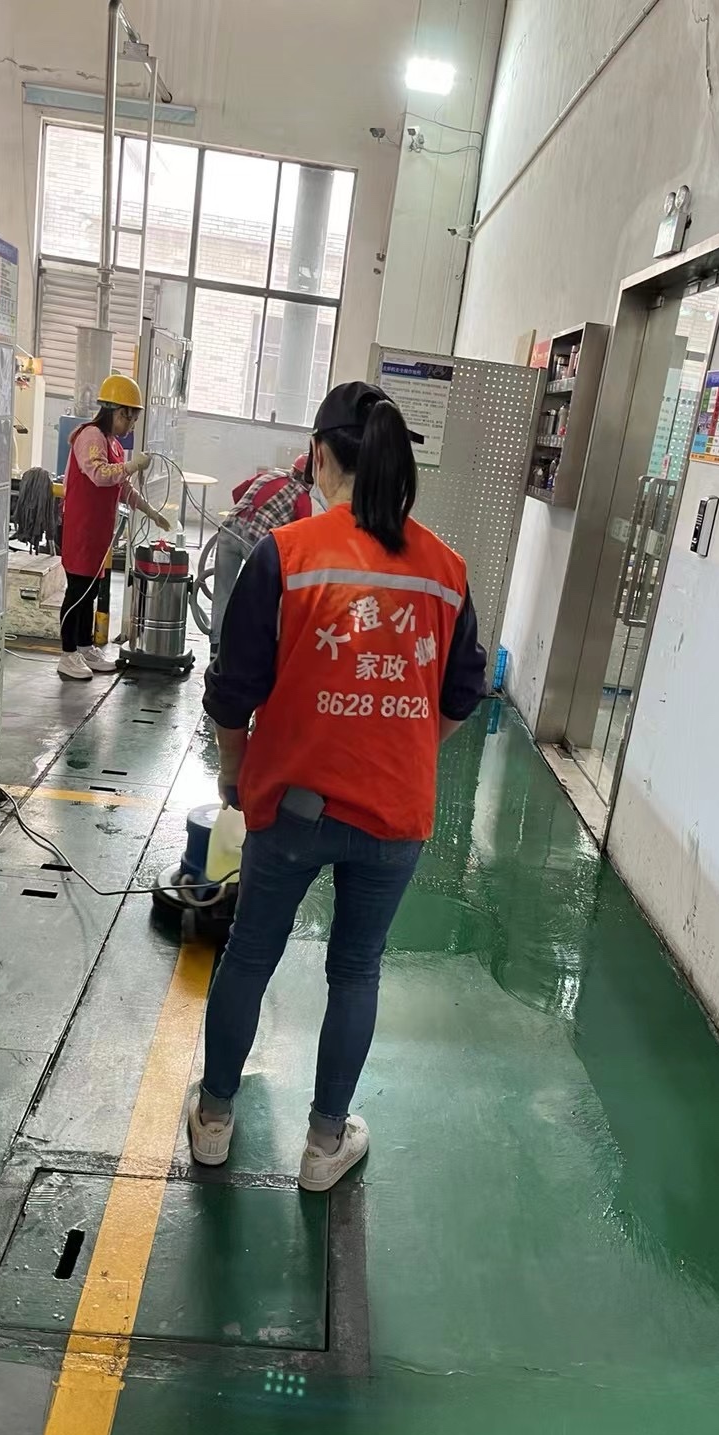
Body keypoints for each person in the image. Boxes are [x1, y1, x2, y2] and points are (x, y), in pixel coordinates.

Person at [193, 380, 488, 1191]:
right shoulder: (446, 571)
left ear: (319, 456)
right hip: (394, 815)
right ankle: (326, 1145)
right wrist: (407, 744)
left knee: (251, 954)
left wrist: (234, 769)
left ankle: (214, 1120)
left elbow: (232, 690)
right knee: (356, 970)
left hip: (291, 808)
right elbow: (463, 693)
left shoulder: (287, 556)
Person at [57, 375, 170, 682]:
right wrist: (132, 466)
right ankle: (68, 654)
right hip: (80, 529)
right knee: (77, 590)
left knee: (91, 590)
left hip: (99, 532)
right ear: (118, 412)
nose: (131, 426)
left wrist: (150, 512)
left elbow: (122, 487)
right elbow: (99, 474)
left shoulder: (113, 444)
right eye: (130, 419)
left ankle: (84, 647)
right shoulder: (90, 436)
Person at [209, 453, 314, 656]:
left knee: (222, 592)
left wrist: (250, 516)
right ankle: (247, 650)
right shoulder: (302, 498)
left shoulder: (268, 475)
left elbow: (237, 492)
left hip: (228, 530)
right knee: (258, 598)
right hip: (255, 541)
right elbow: (299, 535)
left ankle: (216, 650)